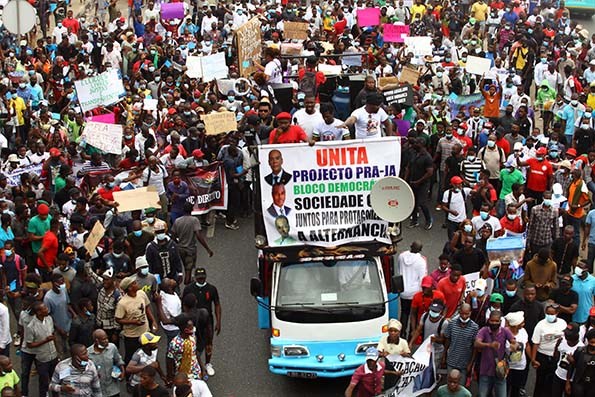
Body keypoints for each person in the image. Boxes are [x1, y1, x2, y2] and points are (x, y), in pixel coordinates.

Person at [182, 267, 221, 376]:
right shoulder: (188, 289)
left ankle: (208, 363)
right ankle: (194, 364)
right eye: (199, 278)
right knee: (192, 342)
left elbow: (217, 304)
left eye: (203, 277)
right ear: (195, 277)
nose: (201, 280)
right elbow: (183, 305)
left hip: (208, 321)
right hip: (192, 322)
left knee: (209, 342)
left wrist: (219, 321)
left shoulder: (212, 289)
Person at [115, 276, 158, 366]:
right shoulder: (122, 303)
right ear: (129, 288)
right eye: (134, 283)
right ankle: (129, 376)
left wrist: (153, 321)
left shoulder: (141, 294)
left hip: (145, 332)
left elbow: (147, 308)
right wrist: (133, 322)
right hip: (132, 336)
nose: (137, 284)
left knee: (147, 354)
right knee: (131, 357)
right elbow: (118, 319)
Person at [474, 310, 516, 397]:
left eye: (496, 321)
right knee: (482, 395)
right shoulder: (484, 330)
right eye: (492, 321)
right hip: (485, 370)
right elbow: (476, 343)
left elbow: (513, 341)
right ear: (488, 320)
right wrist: (489, 345)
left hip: (500, 371)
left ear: (500, 322)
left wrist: (514, 345)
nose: (494, 323)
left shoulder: (505, 331)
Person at [171, 201, 214, 285]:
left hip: (180, 249)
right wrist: (207, 249)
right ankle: (188, 285)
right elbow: (198, 235)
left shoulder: (177, 221)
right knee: (188, 270)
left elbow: (173, 235)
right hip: (190, 250)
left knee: (185, 266)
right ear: (192, 210)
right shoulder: (194, 220)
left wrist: (178, 243)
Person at [531, 302, 567, 397]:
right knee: (540, 381)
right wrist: (533, 359)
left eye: (552, 314)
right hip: (542, 356)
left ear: (557, 313)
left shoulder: (563, 323)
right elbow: (535, 343)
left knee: (552, 383)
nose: (549, 316)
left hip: (556, 357)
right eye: (548, 313)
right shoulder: (540, 325)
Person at [24, 301, 58, 397]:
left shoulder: (49, 319)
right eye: (45, 308)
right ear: (39, 312)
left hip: (53, 355)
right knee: (44, 382)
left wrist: (57, 352)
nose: (47, 309)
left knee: (55, 379)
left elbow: (53, 335)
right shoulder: (31, 326)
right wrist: (45, 341)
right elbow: (29, 344)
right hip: (42, 358)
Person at [442, 303, 479, 386]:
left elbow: (474, 348)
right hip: (451, 360)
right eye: (462, 313)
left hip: (464, 364)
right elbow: (447, 340)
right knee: (450, 385)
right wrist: (444, 356)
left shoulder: (474, 327)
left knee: (460, 386)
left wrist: (471, 363)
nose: (464, 316)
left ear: (470, 313)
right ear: (459, 312)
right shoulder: (452, 324)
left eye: (467, 314)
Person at [397, 241, 427, 339]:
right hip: (415, 292)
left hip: (402, 290)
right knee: (413, 313)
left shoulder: (401, 256)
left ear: (410, 246)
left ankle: (402, 333)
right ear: (420, 250)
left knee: (404, 312)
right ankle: (411, 333)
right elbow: (423, 278)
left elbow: (398, 269)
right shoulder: (421, 261)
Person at [43, 273, 75, 358]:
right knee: (60, 350)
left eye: (63, 282)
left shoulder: (64, 291)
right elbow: (48, 316)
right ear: (54, 283)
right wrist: (60, 329)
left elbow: (67, 304)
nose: (62, 284)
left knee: (70, 348)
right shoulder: (48, 298)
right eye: (60, 282)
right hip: (57, 329)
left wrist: (74, 315)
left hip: (68, 324)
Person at [166, 316, 206, 383]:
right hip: (183, 376)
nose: (193, 329)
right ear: (186, 330)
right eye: (192, 327)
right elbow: (170, 360)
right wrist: (170, 377)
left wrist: (202, 368)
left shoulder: (192, 337)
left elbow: (195, 352)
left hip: (196, 372)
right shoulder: (174, 344)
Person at [88, 329, 125, 397]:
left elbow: (118, 360)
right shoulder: (88, 353)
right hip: (98, 390)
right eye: (103, 339)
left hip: (113, 388)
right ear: (97, 341)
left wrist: (122, 371)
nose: (107, 341)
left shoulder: (112, 347)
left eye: (107, 338)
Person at [551, 322, 583, 397]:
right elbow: (555, 357)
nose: (566, 335)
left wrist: (573, 361)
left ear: (576, 334)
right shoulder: (562, 341)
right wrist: (556, 346)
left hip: (571, 380)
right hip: (558, 375)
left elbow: (581, 369)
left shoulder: (581, 348)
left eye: (568, 334)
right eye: (566, 333)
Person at [505, 311, 530, 397]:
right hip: (507, 367)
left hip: (520, 367)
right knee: (505, 389)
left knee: (516, 389)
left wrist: (532, 359)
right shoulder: (504, 333)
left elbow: (526, 345)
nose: (523, 324)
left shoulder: (523, 331)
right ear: (515, 325)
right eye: (522, 323)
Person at [566, 328, 595, 396]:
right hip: (579, 384)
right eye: (592, 342)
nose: (594, 345)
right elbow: (571, 367)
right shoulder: (580, 351)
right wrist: (567, 382)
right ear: (588, 340)